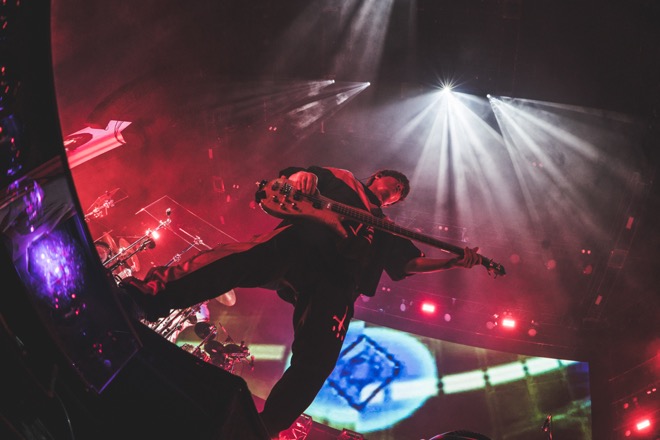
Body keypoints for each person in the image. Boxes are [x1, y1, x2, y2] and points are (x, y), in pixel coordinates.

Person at [120, 165, 484, 438]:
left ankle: (265, 427)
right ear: (377, 178)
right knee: (233, 260)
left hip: (340, 282)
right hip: (303, 243)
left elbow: (407, 263)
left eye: (400, 192)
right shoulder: (343, 178)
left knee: (319, 358)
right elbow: (296, 178)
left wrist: (451, 262)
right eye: (394, 183)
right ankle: (145, 297)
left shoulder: (386, 227)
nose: (397, 190)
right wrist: (300, 176)